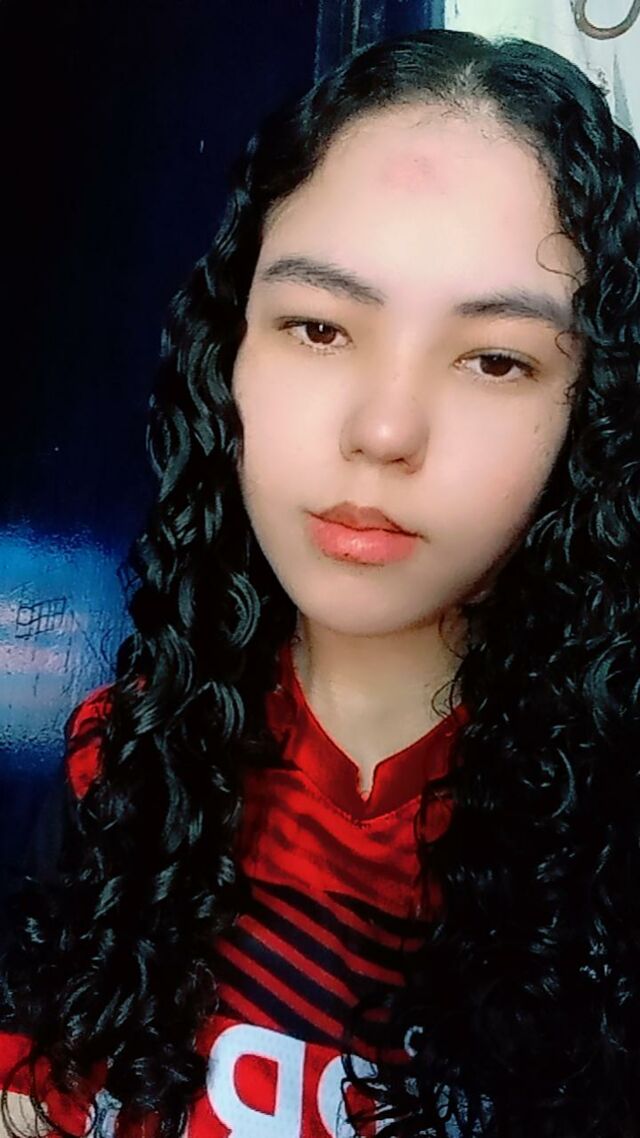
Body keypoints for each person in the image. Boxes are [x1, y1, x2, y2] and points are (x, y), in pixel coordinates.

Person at [1, 24, 639, 1138]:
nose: (384, 430)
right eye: (318, 327)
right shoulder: (123, 765)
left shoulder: (609, 848)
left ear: (589, 413)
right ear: (229, 353)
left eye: (496, 358)